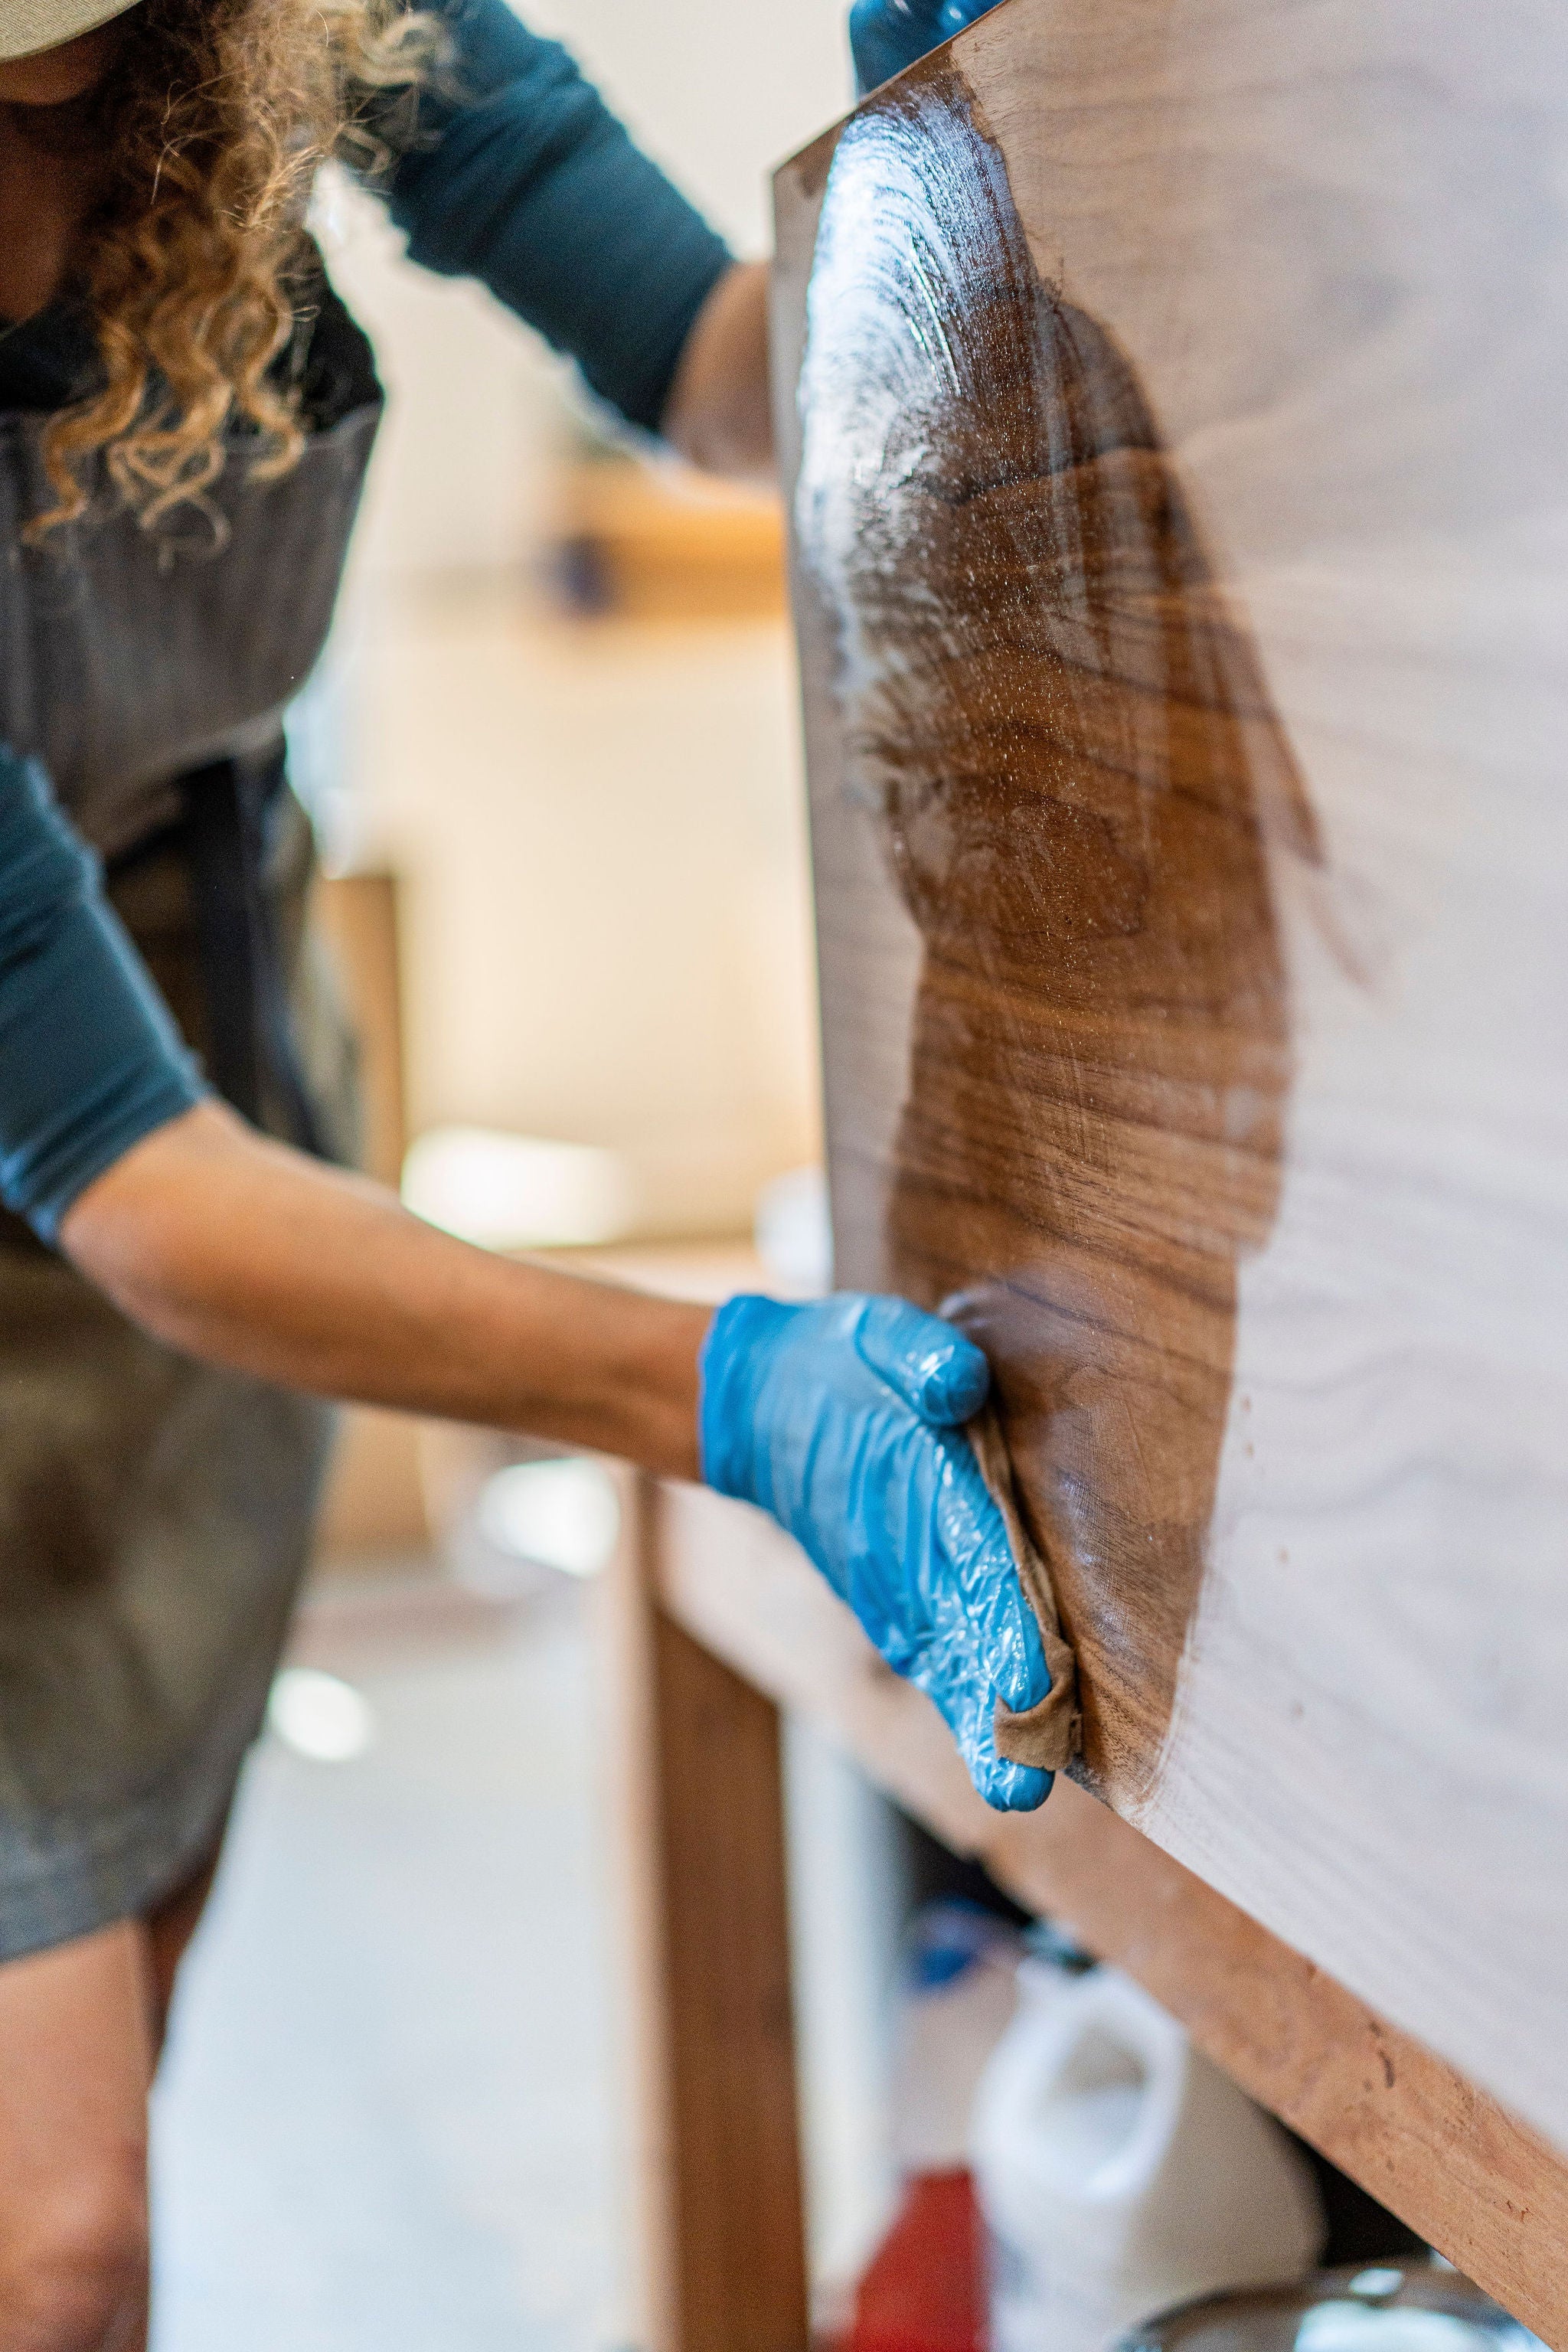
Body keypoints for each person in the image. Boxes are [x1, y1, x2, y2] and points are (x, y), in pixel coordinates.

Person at [0, 0, 1010, 2341]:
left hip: (216, 1092)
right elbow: (127, 1184)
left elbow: (723, 365)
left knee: (113, 2018)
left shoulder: (286, 27)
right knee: (54, 2243)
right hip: (144, 1178)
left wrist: (970, 170)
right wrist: (727, 1396)